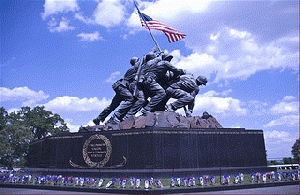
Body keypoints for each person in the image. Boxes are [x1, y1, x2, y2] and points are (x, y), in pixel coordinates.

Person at [93, 57, 140, 125]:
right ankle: (116, 116)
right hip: (122, 87)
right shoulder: (132, 69)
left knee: (113, 105)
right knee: (131, 99)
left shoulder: (135, 70)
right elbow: (138, 65)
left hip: (121, 88)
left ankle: (99, 118)